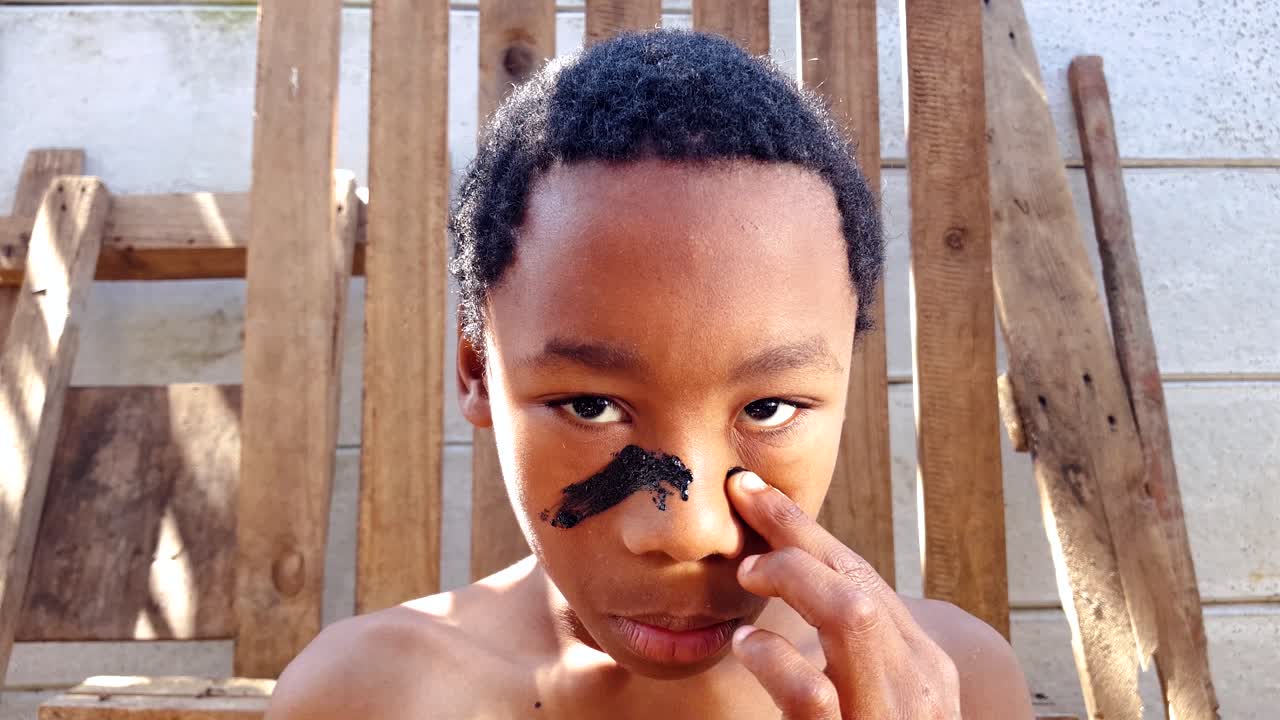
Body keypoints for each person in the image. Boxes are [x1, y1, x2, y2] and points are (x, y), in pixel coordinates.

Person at [268, 29, 1033, 719]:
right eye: (592, 405)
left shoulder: (950, 685)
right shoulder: (363, 695)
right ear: (476, 372)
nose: (687, 530)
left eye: (768, 408)